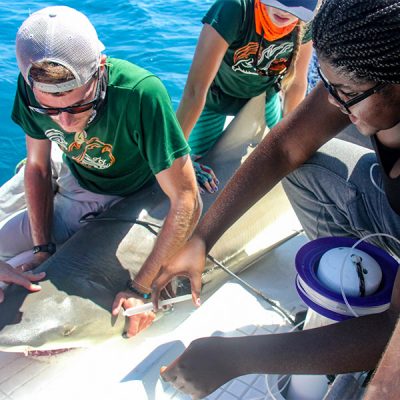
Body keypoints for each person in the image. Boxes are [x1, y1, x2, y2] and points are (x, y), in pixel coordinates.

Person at [150, 0, 400, 397]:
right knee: (302, 167)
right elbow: (284, 147)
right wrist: (201, 238)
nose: (333, 104)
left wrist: (237, 358)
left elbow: (395, 327)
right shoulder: (367, 70)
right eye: (326, 84)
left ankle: (350, 332)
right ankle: (346, 300)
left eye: (347, 92)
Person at [0, 6, 201, 337]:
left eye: (78, 105)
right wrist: (43, 250)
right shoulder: (30, 88)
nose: (64, 122)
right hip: (72, 177)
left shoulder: (140, 94)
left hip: (129, 193)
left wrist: (139, 287)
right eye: (48, 108)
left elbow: (186, 197)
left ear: (100, 71)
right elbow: (36, 166)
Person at [177, 0, 317, 192]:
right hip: (217, 97)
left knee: (284, 148)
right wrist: (180, 157)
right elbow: (195, 90)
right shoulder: (233, 9)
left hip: (263, 96)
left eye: (297, 9)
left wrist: (292, 141)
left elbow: (297, 84)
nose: (285, 13)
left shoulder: (304, 22)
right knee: (192, 159)